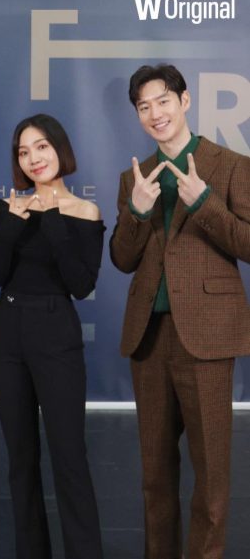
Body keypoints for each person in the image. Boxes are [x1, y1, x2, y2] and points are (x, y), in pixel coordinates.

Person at [110, 63, 250, 558]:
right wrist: (137, 210)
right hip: (148, 338)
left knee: (210, 475)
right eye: (144, 107)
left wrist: (205, 202)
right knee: (155, 476)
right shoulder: (134, 178)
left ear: (184, 101)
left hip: (207, 337)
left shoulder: (230, 165)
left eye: (163, 101)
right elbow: (122, 259)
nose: (155, 113)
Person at [0, 113, 104, 559]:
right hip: (6, 333)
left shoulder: (86, 212)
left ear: (59, 149)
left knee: (69, 456)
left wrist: (52, 219)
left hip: (56, 332)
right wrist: (12, 226)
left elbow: (80, 284)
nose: (33, 158)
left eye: (41, 147)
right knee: (21, 459)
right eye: (23, 151)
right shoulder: (8, 207)